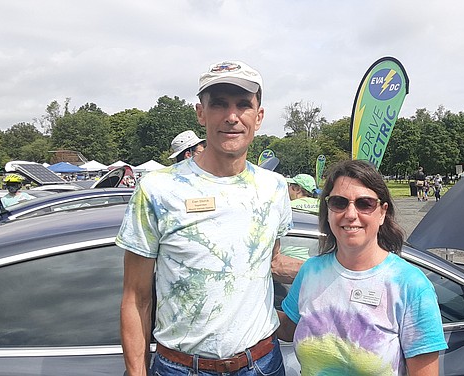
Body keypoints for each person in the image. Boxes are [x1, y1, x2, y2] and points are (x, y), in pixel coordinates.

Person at [117, 60, 301, 376]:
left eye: (243, 105)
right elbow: (136, 298)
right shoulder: (157, 189)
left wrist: (334, 273)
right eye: (219, 104)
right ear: (201, 113)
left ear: (258, 117)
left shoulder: (274, 188)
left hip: (261, 364)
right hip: (181, 367)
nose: (231, 116)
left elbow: (269, 262)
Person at [278, 159, 447, 376]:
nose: (350, 214)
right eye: (339, 202)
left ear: (382, 212)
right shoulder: (311, 271)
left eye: (364, 203)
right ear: (328, 210)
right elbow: (287, 329)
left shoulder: (410, 285)